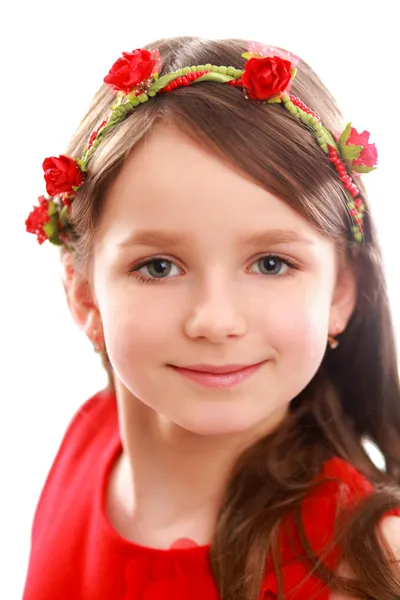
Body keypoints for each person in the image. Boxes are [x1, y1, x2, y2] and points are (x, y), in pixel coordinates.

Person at [22, 37, 400, 600]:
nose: (215, 321)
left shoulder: (370, 560)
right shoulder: (86, 437)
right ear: (84, 296)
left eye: (272, 263)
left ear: (342, 292)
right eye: (158, 266)